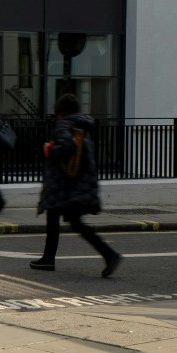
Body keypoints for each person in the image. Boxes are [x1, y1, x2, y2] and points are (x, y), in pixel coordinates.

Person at [31, 92, 121, 279]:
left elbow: (66, 148)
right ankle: (107, 255)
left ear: (60, 111)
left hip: (67, 186)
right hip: (76, 185)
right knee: (67, 220)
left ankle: (108, 254)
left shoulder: (64, 124)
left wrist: (49, 149)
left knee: (62, 218)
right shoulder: (80, 125)